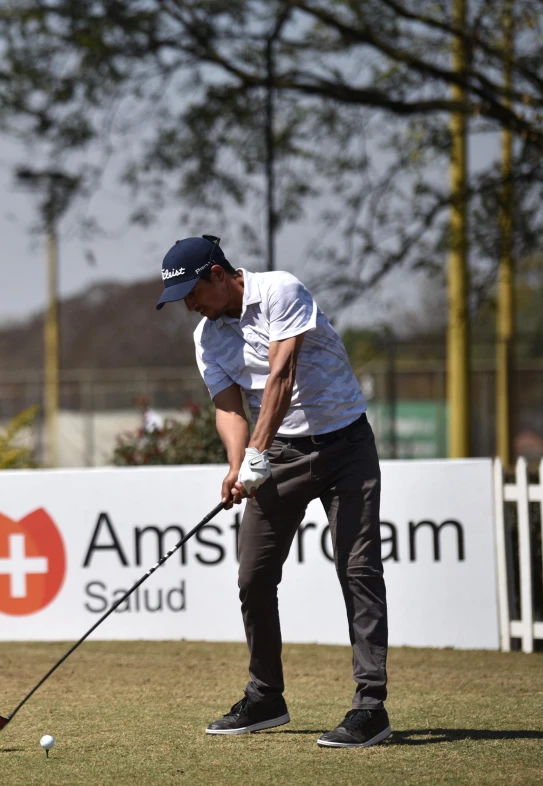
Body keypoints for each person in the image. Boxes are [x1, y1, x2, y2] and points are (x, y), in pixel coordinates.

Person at [155, 235, 391, 749]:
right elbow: (228, 406)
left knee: (358, 570)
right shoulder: (207, 337)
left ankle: (370, 707)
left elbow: (282, 377)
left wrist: (256, 455)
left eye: (191, 292)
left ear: (218, 274)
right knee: (253, 575)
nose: (189, 306)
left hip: (344, 444)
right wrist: (240, 465)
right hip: (279, 453)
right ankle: (266, 697)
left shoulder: (281, 290)